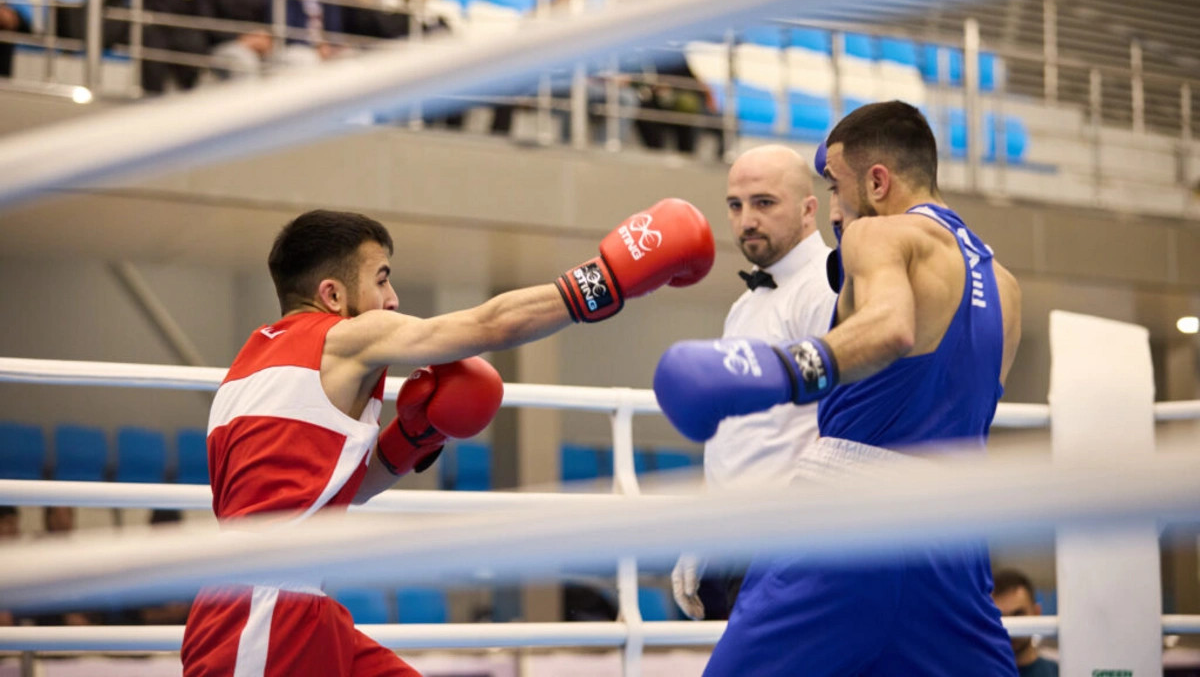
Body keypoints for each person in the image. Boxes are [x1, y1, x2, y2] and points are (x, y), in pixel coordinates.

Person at [181, 203, 714, 676]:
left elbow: (341, 488)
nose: (392, 300)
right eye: (382, 279)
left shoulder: (248, 365)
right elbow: (492, 323)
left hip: (290, 606)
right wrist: (608, 280)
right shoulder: (345, 336)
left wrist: (413, 435)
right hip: (262, 615)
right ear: (333, 294)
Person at [654, 100, 1022, 676]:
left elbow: (890, 326)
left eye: (833, 187)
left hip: (847, 524)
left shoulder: (879, 235)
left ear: (877, 182)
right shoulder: (1004, 283)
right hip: (951, 533)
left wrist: (777, 370)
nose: (833, 210)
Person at [672, 144, 836, 622]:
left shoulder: (823, 287)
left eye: (764, 203)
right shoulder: (743, 307)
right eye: (735, 204)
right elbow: (734, 433)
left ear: (809, 209)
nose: (746, 220)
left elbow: (839, 425)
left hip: (788, 541)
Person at [993, 569, 1059, 676]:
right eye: (1000, 617)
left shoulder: (1061, 672)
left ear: (1036, 613)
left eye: (1018, 614)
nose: (1010, 629)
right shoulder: (978, 672)